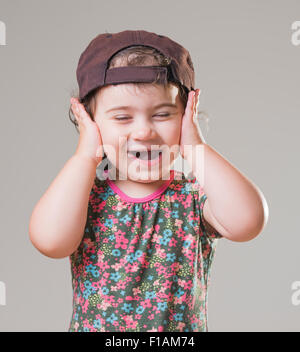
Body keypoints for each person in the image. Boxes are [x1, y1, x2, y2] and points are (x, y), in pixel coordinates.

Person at [28, 30, 268, 332]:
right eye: (122, 118)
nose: (143, 132)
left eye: (163, 114)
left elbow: (249, 221)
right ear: (89, 122)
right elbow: (49, 241)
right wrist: (85, 157)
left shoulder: (194, 195)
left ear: (186, 117)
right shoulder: (84, 196)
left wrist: (196, 148)